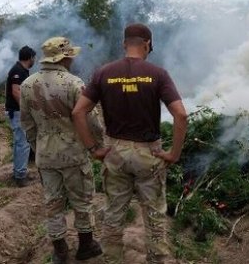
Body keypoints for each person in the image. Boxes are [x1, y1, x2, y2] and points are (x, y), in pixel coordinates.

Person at [72, 23, 188, 264]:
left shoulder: (103, 73)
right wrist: (174, 153)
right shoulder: (158, 74)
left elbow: (78, 112)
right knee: (155, 216)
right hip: (149, 154)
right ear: (147, 44)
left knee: (113, 215)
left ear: (125, 43)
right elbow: (181, 115)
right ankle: (157, 259)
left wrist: (94, 149)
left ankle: (112, 260)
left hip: (115, 152)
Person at [20, 37, 103, 264]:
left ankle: (60, 251)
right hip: (74, 154)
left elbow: (27, 123)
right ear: (64, 57)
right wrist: (98, 147)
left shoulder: (28, 85)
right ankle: (86, 246)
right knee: (82, 200)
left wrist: (38, 148)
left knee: (53, 201)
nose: (72, 59)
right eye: (71, 56)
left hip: (46, 156)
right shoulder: (74, 84)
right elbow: (91, 119)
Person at [5, 45, 36, 187]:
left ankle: (19, 172)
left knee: (21, 143)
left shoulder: (22, 70)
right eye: (34, 57)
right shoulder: (18, 70)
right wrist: (26, 109)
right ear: (30, 57)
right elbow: (16, 91)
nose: (34, 60)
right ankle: (20, 176)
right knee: (22, 143)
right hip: (17, 112)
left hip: (17, 111)